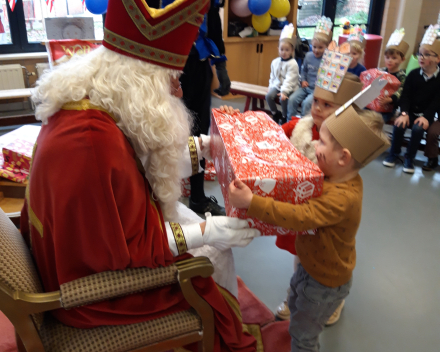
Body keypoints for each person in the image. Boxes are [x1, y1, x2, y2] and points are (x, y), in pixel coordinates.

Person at [21, 0, 260, 351]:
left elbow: (138, 164)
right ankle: (218, 339)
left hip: (75, 254)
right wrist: (210, 230)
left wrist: (206, 148)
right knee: (219, 251)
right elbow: (130, 247)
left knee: (205, 233)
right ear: (139, 81)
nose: (178, 91)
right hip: (92, 292)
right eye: (171, 80)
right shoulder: (91, 142)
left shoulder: (91, 106)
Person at [228, 107, 390, 352]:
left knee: (303, 337)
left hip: (325, 282)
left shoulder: (342, 198)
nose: (315, 145)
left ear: (343, 157)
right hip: (310, 266)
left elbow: (299, 217)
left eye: (322, 143)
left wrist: (252, 203)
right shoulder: (335, 175)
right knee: (295, 302)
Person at [277, 72, 362, 323]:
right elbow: (273, 135)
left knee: (327, 260)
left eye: (327, 105)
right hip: (301, 207)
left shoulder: (346, 141)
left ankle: (333, 301)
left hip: (327, 212)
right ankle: (296, 295)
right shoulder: (301, 126)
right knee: (300, 254)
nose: (317, 108)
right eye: (315, 101)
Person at [179, 0, 227, 216]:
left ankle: (197, 196)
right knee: (163, 132)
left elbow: (214, 26)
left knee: (198, 133)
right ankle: (158, 197)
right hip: (166, 67)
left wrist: (221, 65)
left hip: (198, 66)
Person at [383, 25, 440, 174]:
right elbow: (405, 96)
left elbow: (436, 102)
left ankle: (409, 158)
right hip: (410, 112)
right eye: (420, 54)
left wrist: (427, 118)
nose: (421, 58)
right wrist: (404, 113)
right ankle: (393, 154)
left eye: (427, 55)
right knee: (399, 125)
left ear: (437, 59)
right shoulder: (413, 74)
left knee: (417, 129)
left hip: (426, 115)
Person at [287, 17, 332, 119]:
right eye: (314, 47)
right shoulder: (308, 56)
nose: (316, 50)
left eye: (320, 48)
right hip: (305, 87)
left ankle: (303, 124)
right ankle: (290, 121)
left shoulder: (327, 60)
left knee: (307, 103)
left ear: (327, 47)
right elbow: (304, 70)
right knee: (292, 99)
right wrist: (303, 80)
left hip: (317, 91)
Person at [266, 23, 299, 124]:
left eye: (287, 50)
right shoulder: (275, 62)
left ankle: (284, 116)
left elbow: (290, 79)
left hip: (290, 87)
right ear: (278, 49)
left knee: (283, 99)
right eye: (282, 49)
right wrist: (271, 86)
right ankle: (275, 113)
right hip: (277, 85)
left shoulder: (293, 64)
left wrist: (284, 92)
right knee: (268, 96)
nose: (284, 52)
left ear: (292, 51)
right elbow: (272, 76)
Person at [378, 29, 409, 122]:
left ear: (402, 59)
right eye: (387, 57)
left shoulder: (402, 76)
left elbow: (401, 91)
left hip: (389, 109)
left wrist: (391, 100)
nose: (389, 60)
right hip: (376, 104)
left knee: (379, 120)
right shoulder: (381, 71)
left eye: (394, 58)